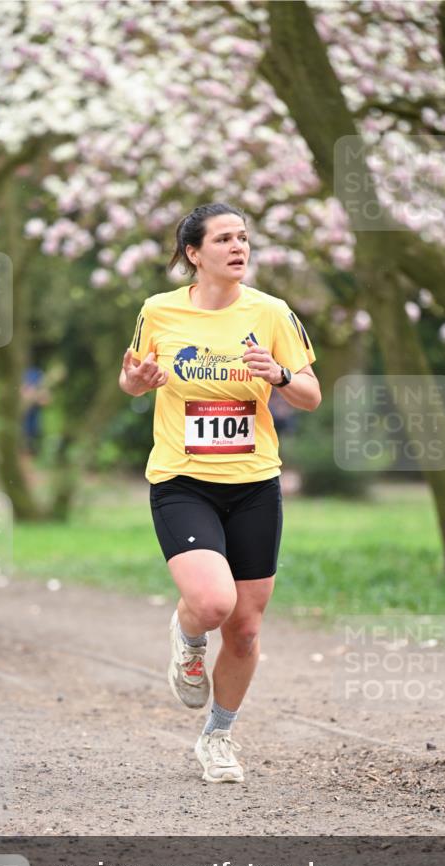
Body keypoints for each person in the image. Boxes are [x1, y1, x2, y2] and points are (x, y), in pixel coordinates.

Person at [119, 203, 320, 784]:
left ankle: (218, 736)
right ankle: (187, 638)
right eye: (224, 239)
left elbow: (310, 394)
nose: (238, 247)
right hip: (182, 480)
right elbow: (131, 378)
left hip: (254, 483)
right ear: (194, 253)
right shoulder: (159, 310)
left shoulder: (272, 312)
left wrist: (279, 375)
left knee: (246, 628)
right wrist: (137, 381)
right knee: (212, 604)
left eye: (244, 238)